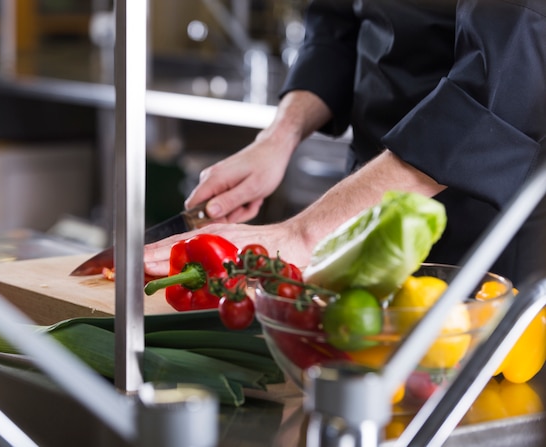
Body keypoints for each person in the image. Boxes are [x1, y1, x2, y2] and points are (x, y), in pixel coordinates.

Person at [144, 0, 546, 287]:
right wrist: (278, 137)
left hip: (491, 229)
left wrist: (304, 235)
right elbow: (336, 24)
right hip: (362, 207)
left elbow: (497, 92)